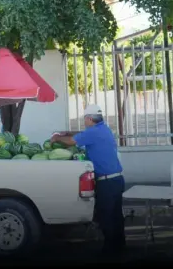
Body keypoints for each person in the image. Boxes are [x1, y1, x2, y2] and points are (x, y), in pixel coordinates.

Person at [50, 104, 126, 255]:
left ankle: (110, 252)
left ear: (90, 119)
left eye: (85, 119)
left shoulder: (93, 133)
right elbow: (82, 134)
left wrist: (57, 138)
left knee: (106, 217)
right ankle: (120, 247)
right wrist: (67, 132)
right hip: (117, 180)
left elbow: (72, 141)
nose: (84, 122)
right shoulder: (104, 129)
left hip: (106, 182)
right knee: (116, 216)